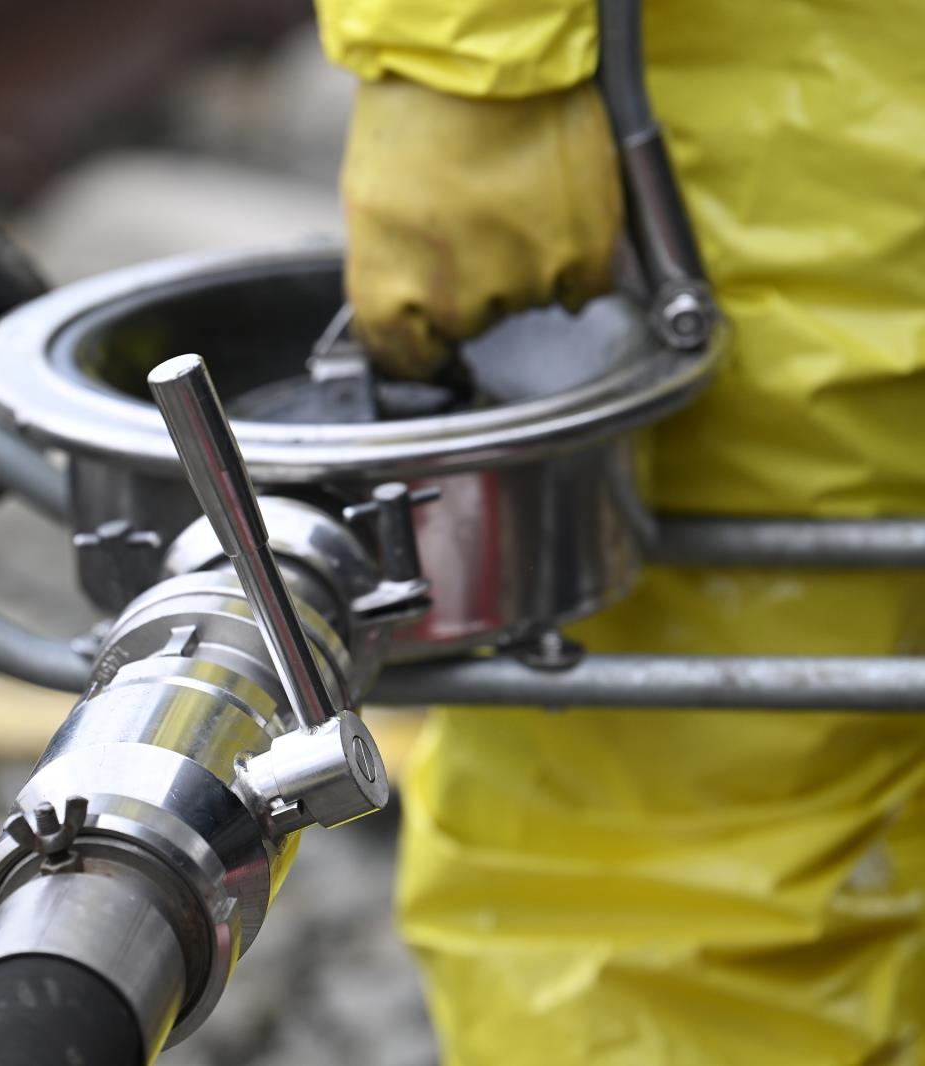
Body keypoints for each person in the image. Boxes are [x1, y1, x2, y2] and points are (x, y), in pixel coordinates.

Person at [315, 1, 925, 1061]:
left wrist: (467, 69)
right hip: (819, 129)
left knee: (696, 881)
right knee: (724, 845)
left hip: (793, 150)